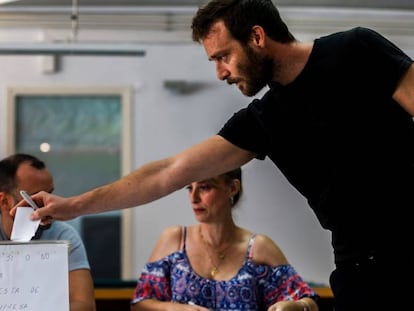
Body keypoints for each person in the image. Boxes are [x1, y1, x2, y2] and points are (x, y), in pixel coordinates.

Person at [13, 0, 414, 310]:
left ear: (257, 37)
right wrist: (74, 206)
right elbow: (168, 172)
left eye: (223, 56)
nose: (220, 73)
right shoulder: (263, 120)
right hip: (363, 271)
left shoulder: (356, 50)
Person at [130, 168, 319, 311]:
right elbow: (139, 303)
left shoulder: (259, 247)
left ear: (233, 188)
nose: (193, 198)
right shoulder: (175, 239)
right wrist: (180, 309)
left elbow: (309, 301)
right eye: (190, 188)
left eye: (205, 187)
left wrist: (296, 306)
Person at [0, 154, 96, 311]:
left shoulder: (63, 236)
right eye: (35, 199)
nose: (48, 207)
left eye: (49, 194)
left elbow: (85, 305)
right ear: (4, 201)